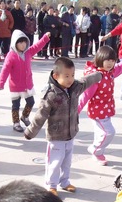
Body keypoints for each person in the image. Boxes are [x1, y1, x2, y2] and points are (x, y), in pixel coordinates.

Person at [24, 57, 102, 194]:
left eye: (72, 75)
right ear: (56, 76)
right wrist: (30, 131)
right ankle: (51, 185)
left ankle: (64, 182)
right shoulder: (50, 95)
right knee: (54, 162)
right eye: (66, 76)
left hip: (71, 133)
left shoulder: (75, 87)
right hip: (56, 136)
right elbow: (40, 115)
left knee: (67, 162)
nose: (70, 79)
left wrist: (99, 74)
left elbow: (87, 80)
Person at [79, 46, 122, 165]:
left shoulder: (110, 72)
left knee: (100, 133)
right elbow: (85, 96)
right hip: (97, 111)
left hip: (106, 109)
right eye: (107, 60)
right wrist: (75, 111)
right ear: (100, 59)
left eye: (113, 61)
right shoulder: (96, 76)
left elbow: (121, 67)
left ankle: (98, 154)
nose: (110, 63)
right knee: (109, 132)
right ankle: (96, 150)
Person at [0, 30, 50, 132]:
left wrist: (45, 38)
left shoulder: (28, 52)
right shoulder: (11, 55)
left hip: (27, 84)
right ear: (15, 43)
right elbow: (5, 70)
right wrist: (1, 83)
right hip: (15, 85)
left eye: (24, 42)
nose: (23, 45)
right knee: (15, 105)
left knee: (31, 102)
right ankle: (16, 123)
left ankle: (24, 117)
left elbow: (37, 46)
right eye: (20, 42)